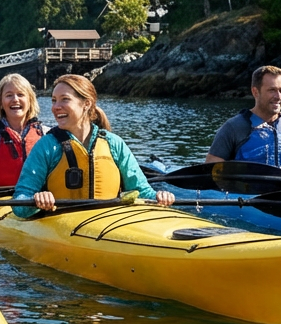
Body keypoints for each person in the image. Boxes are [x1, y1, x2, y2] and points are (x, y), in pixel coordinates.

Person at [13, 74, 175, 217]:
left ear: (86, 104)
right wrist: (36, 200)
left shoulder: (114, 143)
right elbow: (20, 202)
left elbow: (142, 191)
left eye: (65, 99)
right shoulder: (46, 146)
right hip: (60, 225)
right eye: (54, 100)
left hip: (108, 223)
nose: (56, 107)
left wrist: (159, 197)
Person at [205, 65, 281, 175]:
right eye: (272, 90)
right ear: (255, 92)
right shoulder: (233, 128)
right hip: (247, 197)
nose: (278, 97)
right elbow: (210, 173)